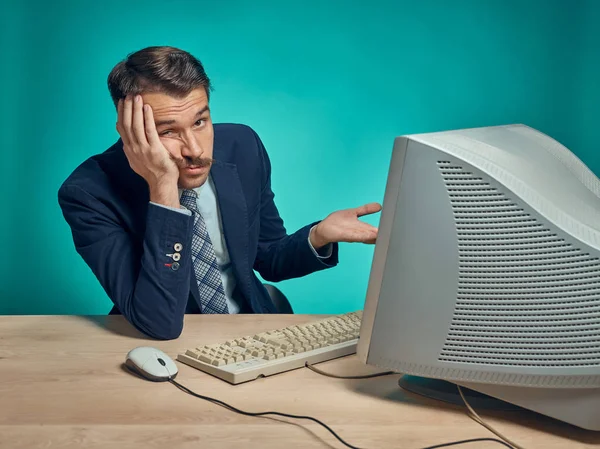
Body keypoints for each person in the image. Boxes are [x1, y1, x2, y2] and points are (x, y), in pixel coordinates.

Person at [58, 46, 381, 340]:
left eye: (200, 121)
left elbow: (268, 259)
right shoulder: (88, 193)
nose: (195, 150)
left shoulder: (242, 146)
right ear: (130, 131)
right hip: (157, 343)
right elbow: (157, 322)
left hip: (251, 334)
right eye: (168, 131)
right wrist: (163, 188)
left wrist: (317, 236)